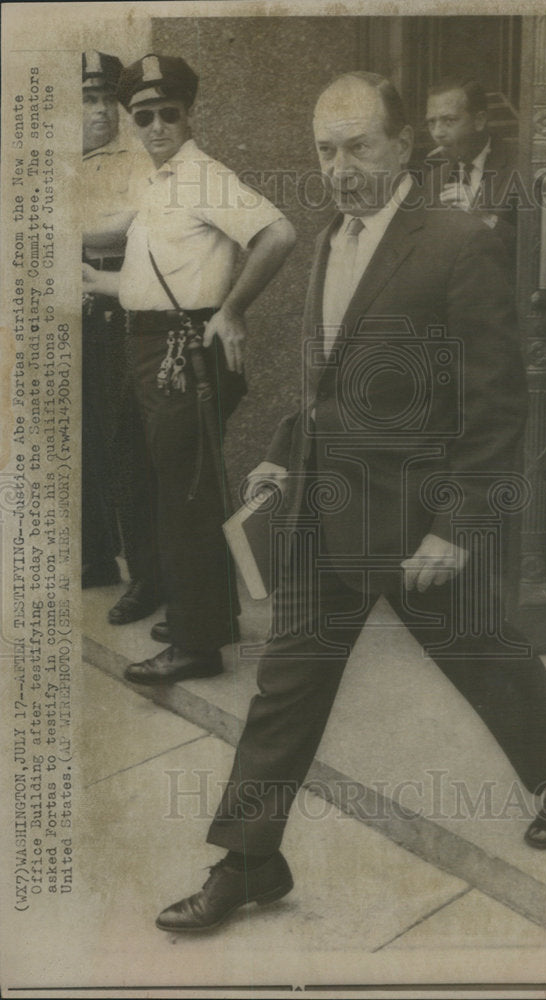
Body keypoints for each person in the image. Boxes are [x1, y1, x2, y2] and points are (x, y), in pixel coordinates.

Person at [155, 72, 546, 934]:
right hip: (328, 512)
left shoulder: (459, 242)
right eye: (325, 150)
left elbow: (496, 403)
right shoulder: (331, 239)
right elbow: (325, 384)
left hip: (419, 521)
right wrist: (286, 460)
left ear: (404, 146)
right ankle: (249, 860)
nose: (340, 167)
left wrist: (457, 528)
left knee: (482, 656)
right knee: (285, 688)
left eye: (358, 146)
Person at [83, 53, 295, 683]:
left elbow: (278, 234)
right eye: (142, 116)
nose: (154, 126)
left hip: (184, 351)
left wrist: (232, 311)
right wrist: (99, 279)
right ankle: (210, 617)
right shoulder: (162, 181)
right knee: (182, 490)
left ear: (187, 113)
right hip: (156, 344)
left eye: (167, 113)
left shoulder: (202, 176)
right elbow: (151, 276)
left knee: (185, 498)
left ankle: (197, 646)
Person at [81, 50, 161, 627]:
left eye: (107, 99)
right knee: (82, 441)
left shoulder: (135, 159)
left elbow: (120, 226)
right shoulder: (63, 161)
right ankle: (94, 558)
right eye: (87, 99)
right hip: (74, 312)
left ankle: (145, 576)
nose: (100, 112)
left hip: (118, 313)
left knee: (126, 446)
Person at [424, 76, 518, 257]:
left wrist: (484, 218)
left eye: (449, 121)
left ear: (479, 121)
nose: (437, 133)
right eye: (431, 122)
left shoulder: (521, 167)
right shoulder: (435, 178)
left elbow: (537, 251)